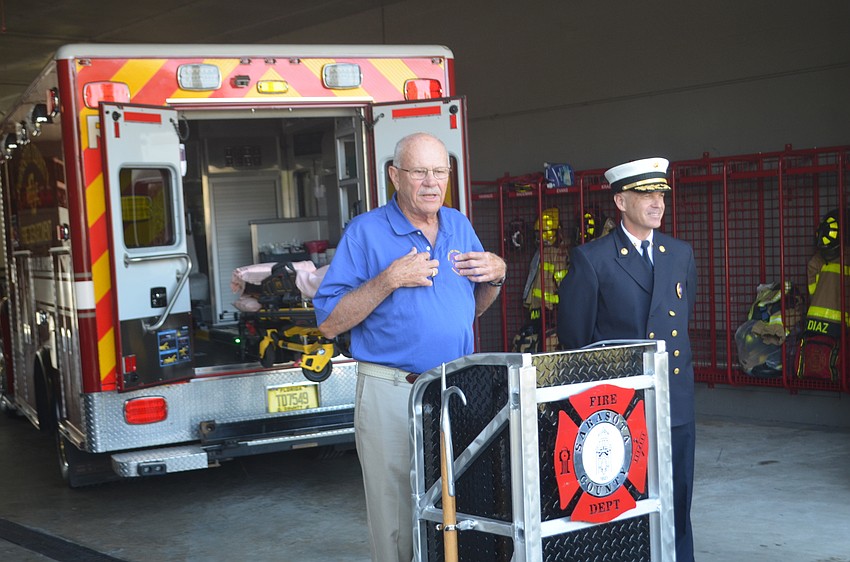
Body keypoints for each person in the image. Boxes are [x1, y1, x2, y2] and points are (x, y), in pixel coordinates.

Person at [313, 132, 507, 562]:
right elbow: (328, 323)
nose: (431, 182)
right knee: (396, 518)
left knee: (460, 506)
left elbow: (469, 307)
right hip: (392, 392)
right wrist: (388, 280)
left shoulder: (458, 224)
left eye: (439, 172)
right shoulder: (366, 232)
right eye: (419, 172)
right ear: (395, 176)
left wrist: (495, 275)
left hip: (457, 389)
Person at [556, 157, 697, 562]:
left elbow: (682, 321)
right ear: (620, 200)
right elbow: (576, 344)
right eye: (645, 194)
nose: (657, 203)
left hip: (675, 397)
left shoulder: (679, 254)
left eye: (661, 195)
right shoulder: (593, 258)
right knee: (623, 502)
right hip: (619, 406)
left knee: (677, 498)